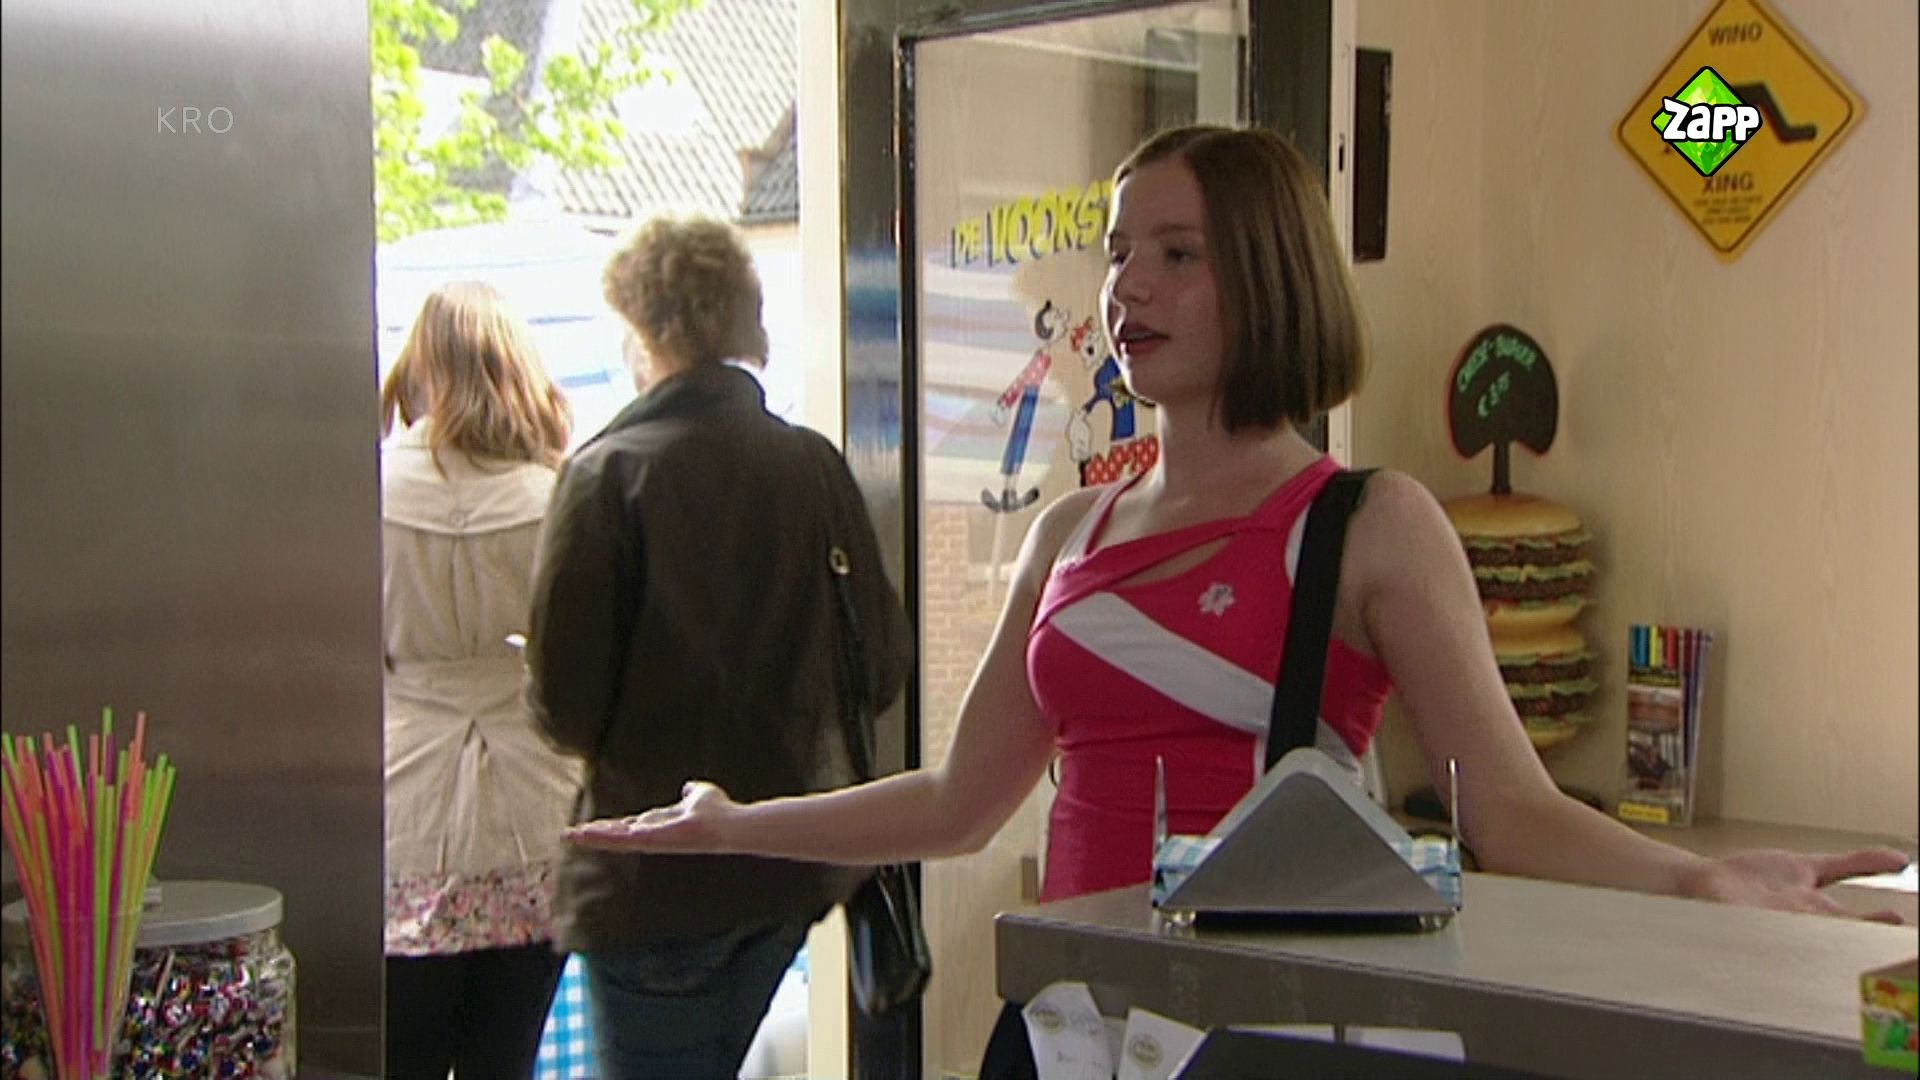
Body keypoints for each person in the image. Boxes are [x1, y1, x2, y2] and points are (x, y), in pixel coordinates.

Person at [565, 125, 1911, 1060]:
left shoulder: (1368, 523)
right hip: (1066, 1027)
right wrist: (736, 826)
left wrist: (1698, 883)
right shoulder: (1071, 531)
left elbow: (1508, 811)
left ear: (1267, 274)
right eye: (1116, 252)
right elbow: (960, 803)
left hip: (1265, 1036)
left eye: (1177, 254)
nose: (1126, 287)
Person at [524, 215, 912, 1079]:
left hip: (654, 874)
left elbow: (564, 708)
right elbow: (883, 665)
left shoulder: (607, 475)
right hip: (788, 865)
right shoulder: (813, 465)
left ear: (644, 329)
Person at [379, 281, 579, 1079]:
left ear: (418, 368)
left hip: (406, 808)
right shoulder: (558, 496)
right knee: (506, 1057)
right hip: (536, 806)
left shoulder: (366, 492)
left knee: (406, 1058)